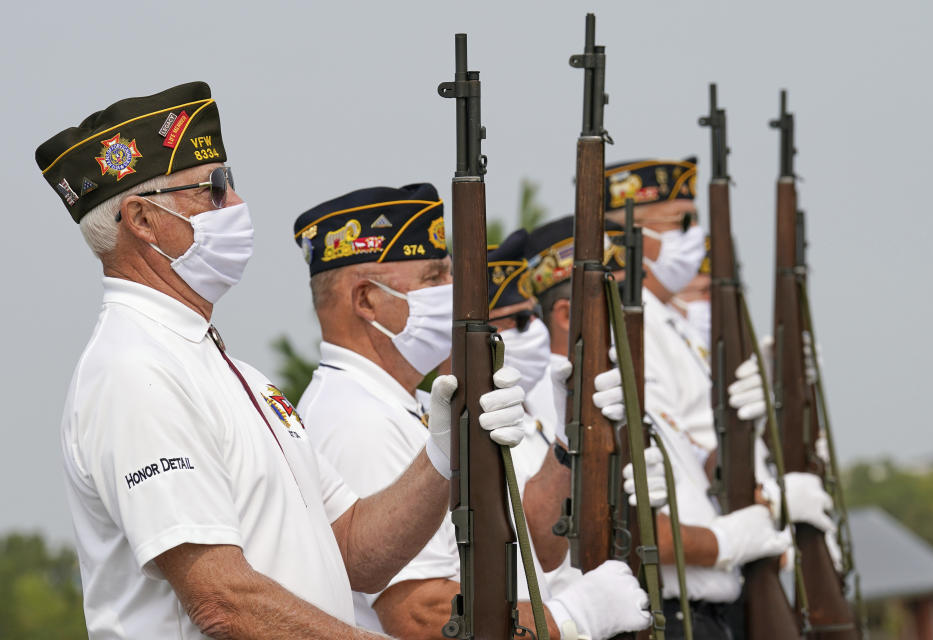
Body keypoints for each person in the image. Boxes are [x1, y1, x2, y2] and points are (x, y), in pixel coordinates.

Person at [38, 82, 523, 640]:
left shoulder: (227, 369)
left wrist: (442, 454)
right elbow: (221, 601)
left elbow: (350, 547)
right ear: (143, 220)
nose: (237, 206)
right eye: (214, 188)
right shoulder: (134, 370)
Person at [294, 186, 653, 640]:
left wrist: (567, 440)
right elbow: (420, 614)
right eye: (434, 277)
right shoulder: (357, 421)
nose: (456, 291)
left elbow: (531, 550)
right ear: (366, 300)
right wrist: (568, 618)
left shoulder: (411, 406)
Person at [522, 211, 793, 640]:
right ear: (565, 314)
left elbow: (694, 488)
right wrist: (729, 540)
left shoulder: (624, 391)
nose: (637, 309)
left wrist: (748, 430)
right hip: (665, 615)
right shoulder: (556, 401)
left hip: (706, 613)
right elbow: (620, 525)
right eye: (617, 297)